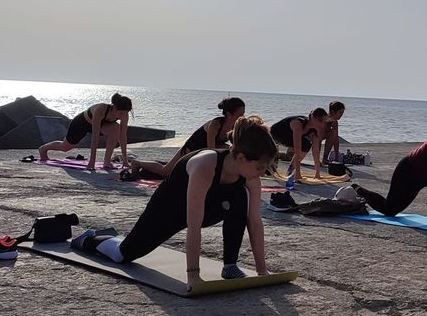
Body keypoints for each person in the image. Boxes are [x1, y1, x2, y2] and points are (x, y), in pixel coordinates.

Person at [72, 116, 276, 284]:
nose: (261, 173)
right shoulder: (205, 165)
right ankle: (90, 238)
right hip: (170, 209)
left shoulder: (250, 177)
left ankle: (230, 266)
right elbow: (193, 225)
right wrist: (193, 276)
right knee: (122, 254)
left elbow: (255, 222)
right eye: (259, 167)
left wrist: (262, 271)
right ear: (241, 157)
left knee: (241, 197)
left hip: (211, 207)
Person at [129, 97, 245, 180]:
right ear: (229, 114)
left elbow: (236, 147)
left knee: (229, 150)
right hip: (192, 147)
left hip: (205, 150)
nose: (243, 117)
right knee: (166, 171)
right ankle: (137, 163)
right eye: (240, 115)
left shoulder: (235, 127)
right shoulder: (215, 125)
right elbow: (211, 151)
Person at [38, 93, 133, 171]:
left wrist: (125, 161)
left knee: (116, 129)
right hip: (82, 123)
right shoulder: (101, 110)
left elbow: (122, 136)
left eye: (125, 113)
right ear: (114, 107)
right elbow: (95, 138)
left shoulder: (124, 115)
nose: (123, 115)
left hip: (102, 125)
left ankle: (107, 161)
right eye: (121, 113)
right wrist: (92, 161)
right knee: (66, 147)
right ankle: (43, 148)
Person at [270, 108, 328, 180]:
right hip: (276, 135)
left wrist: (317, 174)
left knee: (306, 144)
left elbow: (315, 151)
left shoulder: (314, 130)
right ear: (313, 118)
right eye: (321, 121)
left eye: (324, 122)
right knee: (268, 171)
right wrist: (298, 174)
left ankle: (291, 170)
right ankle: (293, 171)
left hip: (289, 138)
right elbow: (297, 151)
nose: (322, 125)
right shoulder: (298, 124)